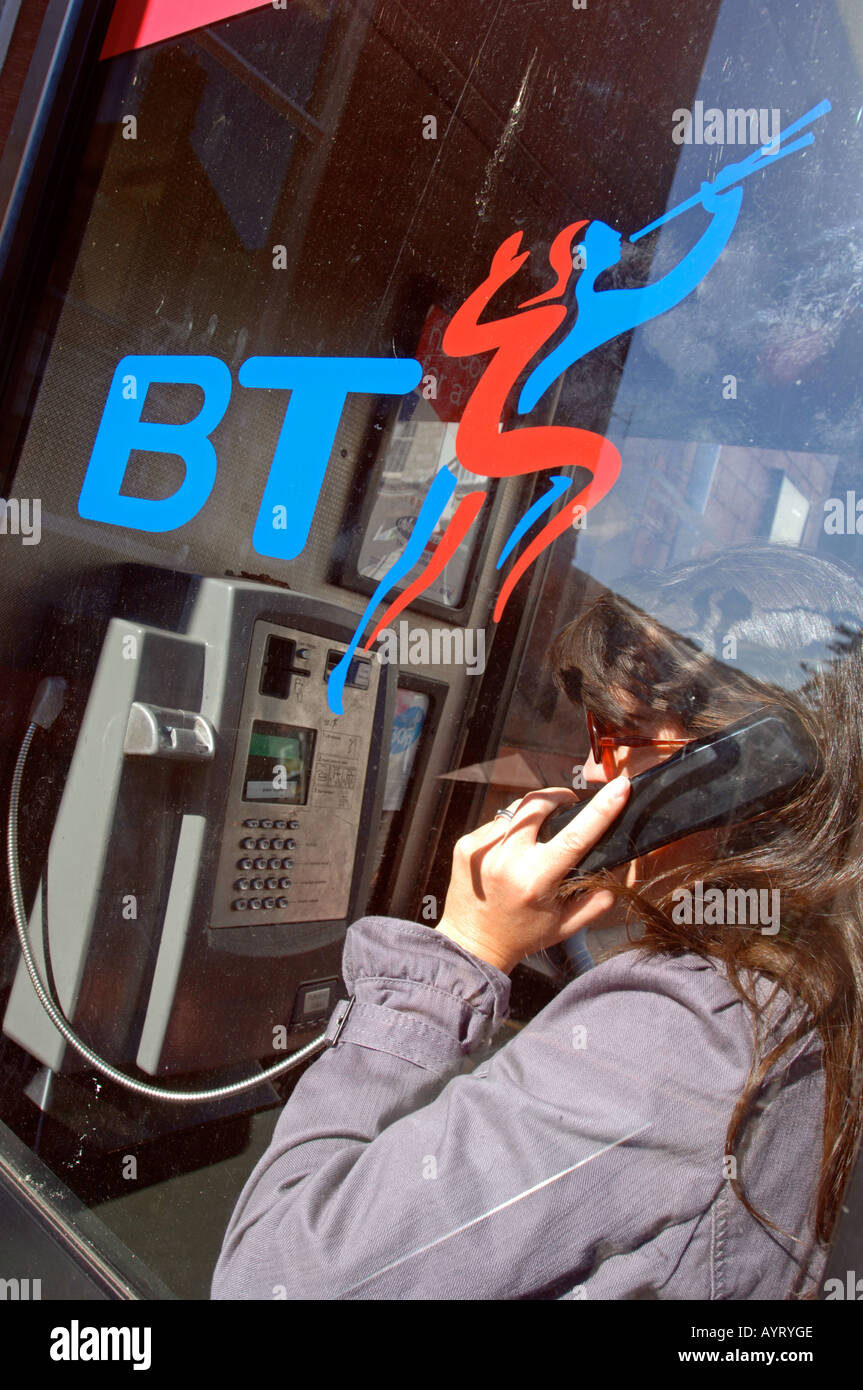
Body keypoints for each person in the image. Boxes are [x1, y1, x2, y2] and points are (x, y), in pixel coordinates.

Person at [211, 545, 863, 1300]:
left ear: (744, 768)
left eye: (620, 733)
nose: (587, 771)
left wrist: (461, 952)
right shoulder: (810, 984)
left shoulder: (686, 1030)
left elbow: (272, 1281)